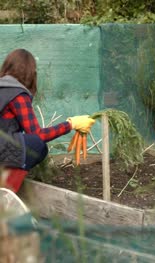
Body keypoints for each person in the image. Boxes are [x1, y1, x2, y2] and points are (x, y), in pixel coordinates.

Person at [0, 49, 96, 192]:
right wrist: (71, 124)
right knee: (37, 146)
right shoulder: (17, 94)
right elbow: (38, 134)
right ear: (30, 73)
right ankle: (6, 191)